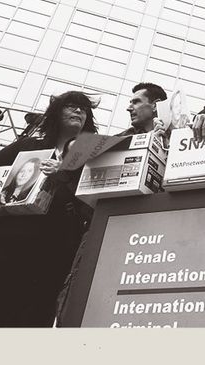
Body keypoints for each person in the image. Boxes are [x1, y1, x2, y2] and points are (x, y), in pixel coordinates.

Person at [0, 91, 97, 327]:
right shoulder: (29, 145)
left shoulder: (88, 159)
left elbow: (92, 201)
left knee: (35, 314)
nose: (79, 111)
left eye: (84, 109)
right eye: (71, 106)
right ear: (56, 113)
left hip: (55, 248)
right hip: (8, 240)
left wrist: (65, 176)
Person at [54, 82, 169, 327]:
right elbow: (74, 156)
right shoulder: (118, 140)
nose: (129, 107)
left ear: (156, 106)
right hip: (103, 227)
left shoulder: (175, 136)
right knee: (80, 293)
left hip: (152, 234)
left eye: (136, 101)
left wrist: (162, 141)